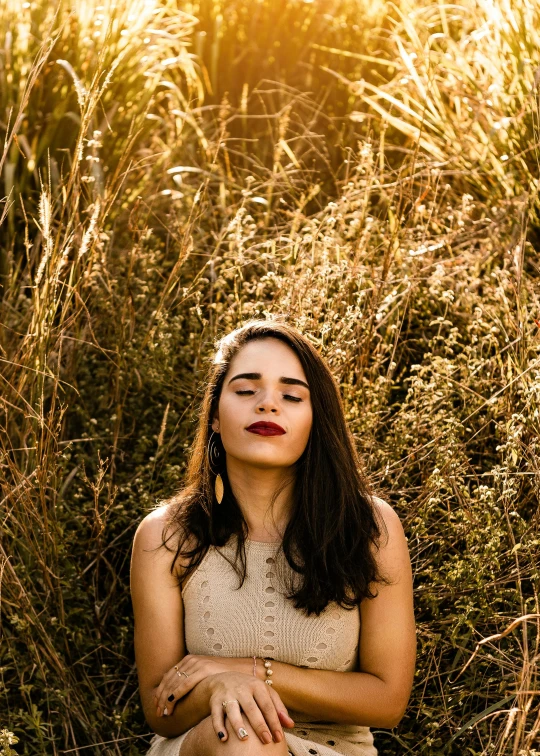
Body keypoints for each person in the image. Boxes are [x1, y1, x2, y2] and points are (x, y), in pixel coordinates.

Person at [130, 317, 416, 756]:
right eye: (246, 390)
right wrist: (217, 689)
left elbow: (387, 700)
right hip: (210, 746)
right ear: (215, 418)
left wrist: (251, 671)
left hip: (334, 750)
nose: (267, 405)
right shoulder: (167, 536)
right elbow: (159, 706)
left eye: (291, 395)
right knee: (246, 737)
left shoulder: (368, 528)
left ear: (315, 420)